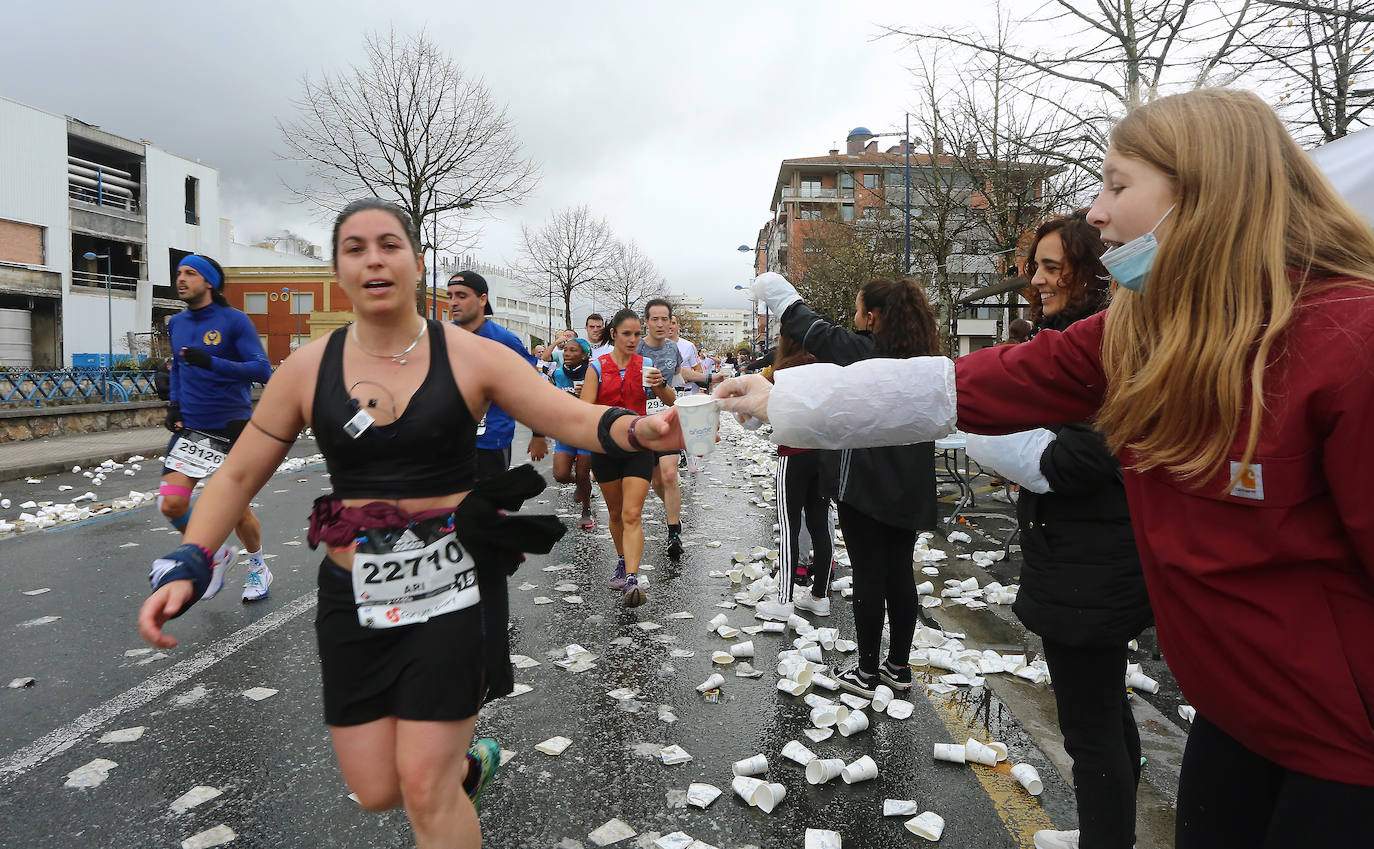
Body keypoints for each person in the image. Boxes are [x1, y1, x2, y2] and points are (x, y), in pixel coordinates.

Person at [715, 89, 1374, 848]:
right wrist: (783, 399)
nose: (1096, 212)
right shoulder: (1140, 329)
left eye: (1118, 186)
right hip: (1232, 719)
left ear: (1207, 193)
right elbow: (968, 384)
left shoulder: (1347, 341)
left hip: (1344, 750)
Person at [138, 199, 682, 848]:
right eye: (356, 247)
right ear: (339, 269)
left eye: (390, 244)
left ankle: (447, 774)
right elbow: (235, 475)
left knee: (424, 789)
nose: (374, 258)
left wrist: (633, 429)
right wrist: (193, 560)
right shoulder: (309, 369)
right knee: (377, 788)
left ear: (417, 264)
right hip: (354, 600)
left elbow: (564, 413)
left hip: (452, 590)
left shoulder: (471, 355)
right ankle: (465, 765)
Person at [965, 212, 1152, 849]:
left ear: (1092, 271)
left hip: (1090, 566)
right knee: (1106, 714)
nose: (1036, 281)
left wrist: (973, 435)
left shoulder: (1098, 348)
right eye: (1034, 268)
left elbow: (1073, 461)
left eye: (1052, 268)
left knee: (1089, 730)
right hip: (1087, 558)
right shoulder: (1071, 337)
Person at [752, 275, 942, 698]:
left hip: (867, 485)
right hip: (910, 485)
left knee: (869, 576)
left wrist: (776, 290)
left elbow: (810, 327)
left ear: (872, 318)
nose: (855, 319)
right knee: (900, 575)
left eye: (859, 311)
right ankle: (899, 667)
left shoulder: (865, 353)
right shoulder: (926, 362)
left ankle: (868, 671)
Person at [160, 253, 275, 602]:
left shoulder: (234, 321)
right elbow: (178, 369)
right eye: (179, 273)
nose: (181, 279)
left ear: (209, 282)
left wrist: (211, 361)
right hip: (191, 428)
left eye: (190, 273)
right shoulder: (176, 323)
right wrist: (174, 404)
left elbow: (261, 371)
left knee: (237, 512)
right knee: (172, 505)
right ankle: (214, 554)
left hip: (230, 427)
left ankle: (258, 566)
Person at [582, 308, 663, 606]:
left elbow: (669, 400)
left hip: (639, 445)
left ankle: (632, 577)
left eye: (637, 334)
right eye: (626, 334)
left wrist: (659, 384)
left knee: (632, 513)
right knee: (616, 513)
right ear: (613, 334)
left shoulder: (647, 364)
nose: (632, 339)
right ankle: (621, 559)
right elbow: (585, 411)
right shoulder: (597, 367)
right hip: (605, 448)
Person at [447, 271, 549, 479]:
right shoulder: (441, 336)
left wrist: (538, 433)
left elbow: (533, 388)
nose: (453, 303)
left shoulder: (505, 340)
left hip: (490, 442)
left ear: (482, 299)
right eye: (450, 296)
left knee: (485, 507)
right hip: (448, 442)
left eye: (462, 296)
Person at [768, 328, 835, 617]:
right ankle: (820, 596)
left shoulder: (782, 372)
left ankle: (784, 600)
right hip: (822, 455)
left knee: (789, 526)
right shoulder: (825, 367)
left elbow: (767, 411)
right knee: (821, 525)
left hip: (792, 455)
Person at [638, 299, 690, 558]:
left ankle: (673, 532)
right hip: (640, 420)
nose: (660, 324)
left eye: (665, 319)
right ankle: (674, 514)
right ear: (646, 321)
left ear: (671, 322)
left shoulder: (673, 349)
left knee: (669, 475)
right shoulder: (634, 347)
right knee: (655, 480)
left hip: (668, 417)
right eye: (654, 319)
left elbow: (677, 383)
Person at [551, 336, 596, 530]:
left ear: (585, 355)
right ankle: (582, 483)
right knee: (560, 475)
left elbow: (601, 402)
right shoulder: (559, 374)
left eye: (573, 350)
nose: (567, 354)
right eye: (565, 350)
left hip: (587, 430)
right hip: (566, 429)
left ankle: (586, 510)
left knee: (583, 473)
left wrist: (585, 396)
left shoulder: (593, 373)